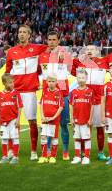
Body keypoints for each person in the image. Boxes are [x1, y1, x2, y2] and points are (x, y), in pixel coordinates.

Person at [6, 25, 48, 160]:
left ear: (29, 35)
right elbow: (7, 73)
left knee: (32, 122)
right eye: (20, 32)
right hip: (15, 92)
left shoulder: (37, 48)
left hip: (30, 92)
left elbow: (51, 47)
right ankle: (12, 150)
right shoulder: (11, 51)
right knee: (13, 122)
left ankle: (34, 151)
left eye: (24, 32)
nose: (22, 34)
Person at [39, 31, 73, 160]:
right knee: (47, 125)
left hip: (62, 95)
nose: (51, 42)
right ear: (47, 41)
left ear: (58, 41)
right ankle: (47, 150)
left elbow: (73, 68)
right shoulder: (42, 57)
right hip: (47, 96)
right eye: (49, 39)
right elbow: (38, 73)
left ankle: (65, 151)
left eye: (54, 40)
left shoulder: (66, 55)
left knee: (64, 124)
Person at [72, 45, 109, 161]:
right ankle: (82, 152)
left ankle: (100, 152)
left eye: (92, 49)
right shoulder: (81, 63)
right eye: (87, 49)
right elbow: (70, 65)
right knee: (83, 127)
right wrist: (78, 58)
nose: (89, 51)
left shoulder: (104, 62)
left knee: (99, 128)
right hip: (84, 102)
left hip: (98, 101)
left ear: (98, 52)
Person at [0, 74, 22, 164]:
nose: (12, 84)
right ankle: (5, 156)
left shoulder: (16, 93)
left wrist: (18, 120)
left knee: (15, 137)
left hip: (13, 120)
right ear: (4, 83)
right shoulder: (0, 94)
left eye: (12, 82)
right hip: (3, 122)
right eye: (10, 83)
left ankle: (15, 157)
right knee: (4, 138)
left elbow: (20, 107)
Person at [70, 70, 95, 165]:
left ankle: (86, 156)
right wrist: (72, 118)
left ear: (86, 79)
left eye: (83, 78)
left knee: (86, 138)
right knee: (77, 138)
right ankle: (77, 156)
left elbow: (92, 106)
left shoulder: (90, 91)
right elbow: (71, 105)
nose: (81, 80)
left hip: (86, 120)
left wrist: (90, 119)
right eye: (79, 78)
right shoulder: (73, 92)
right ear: (76, 78)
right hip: (76, 120)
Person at [38, 75, 64, 164]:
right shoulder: (44, 91)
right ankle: (44, 156)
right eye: (49, 81)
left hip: (54, 120)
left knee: (54, 138)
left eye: (53, 81)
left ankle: (53, 156)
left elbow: (61, 107)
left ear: (56, 82)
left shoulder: (59, 92)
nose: (51, 83)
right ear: (46, 82)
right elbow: (41, 104)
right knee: (43, 137)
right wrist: (42, 116)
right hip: (45, 119)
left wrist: (54, 117)